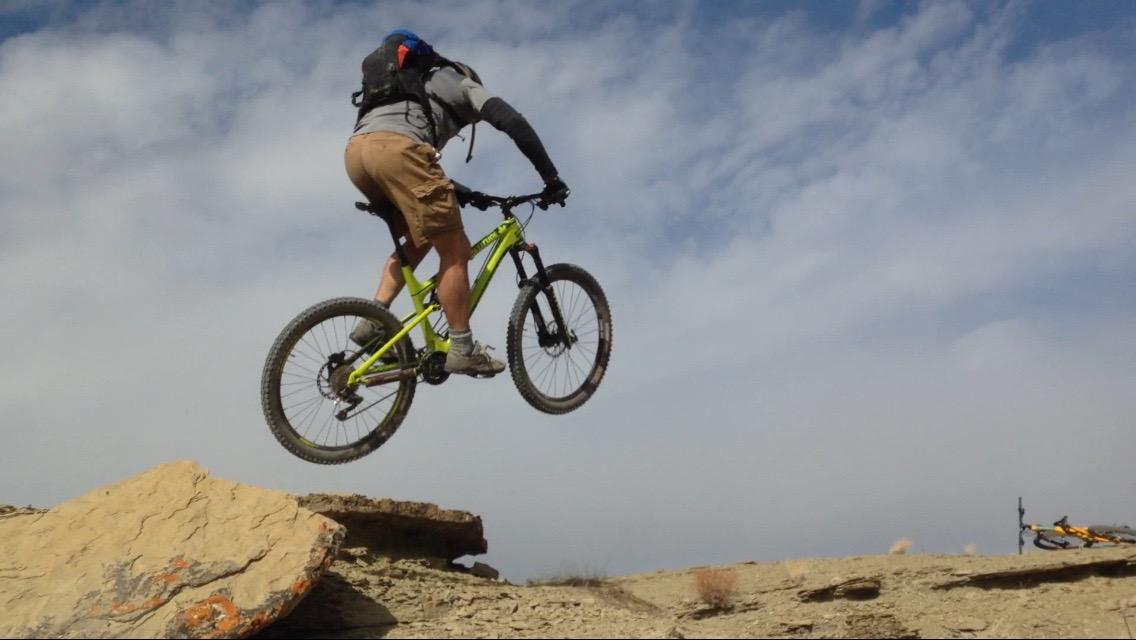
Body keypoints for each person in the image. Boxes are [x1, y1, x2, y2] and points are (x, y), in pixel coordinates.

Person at [343, 29, 569, 377]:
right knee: (456, 250)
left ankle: (372, 322)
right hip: (398, 152)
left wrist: (468, 194)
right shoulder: (462, 83)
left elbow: (415, 166)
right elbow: (514, 122)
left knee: (418, 239)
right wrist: (551, 179)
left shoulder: (406, 92)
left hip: (357, 154)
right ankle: (462, 349)